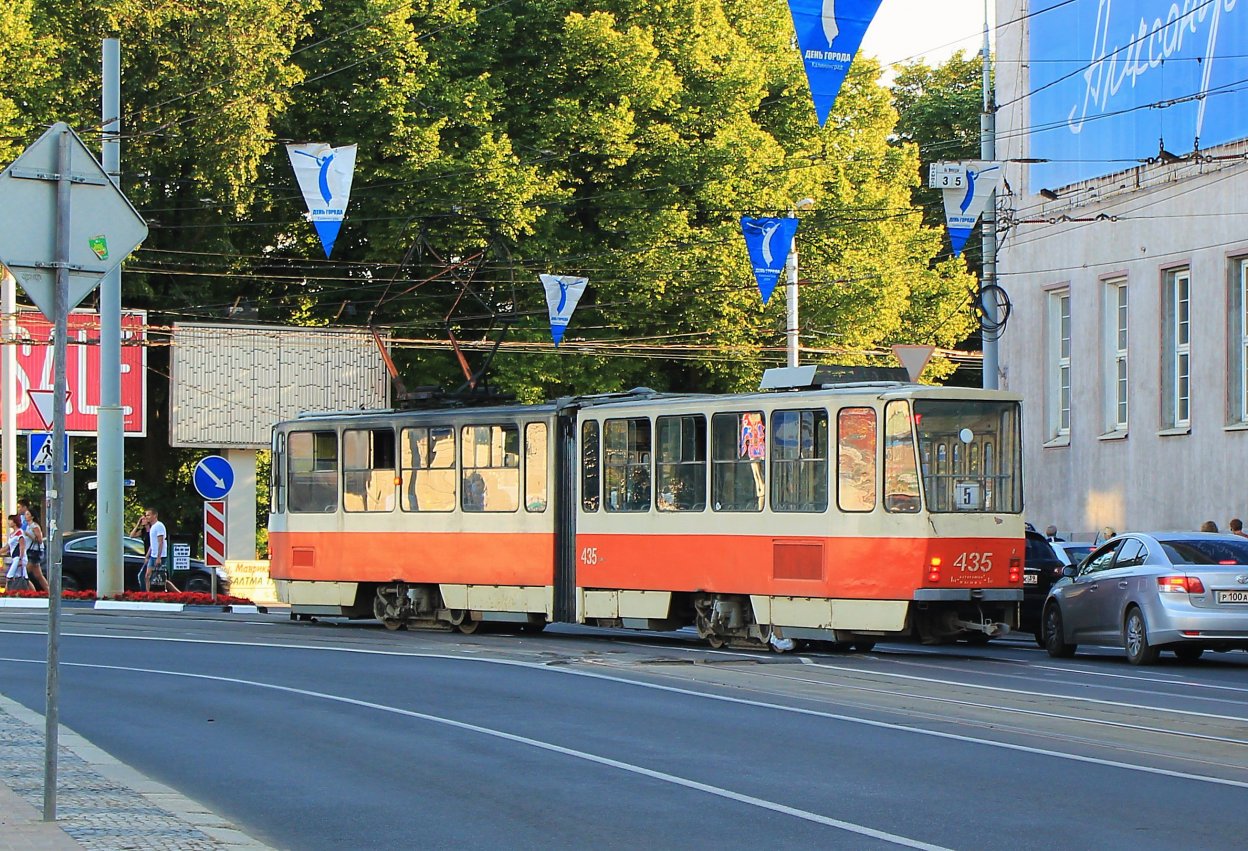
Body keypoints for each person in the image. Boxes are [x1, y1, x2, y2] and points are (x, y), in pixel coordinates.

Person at [141, 508, 177, 592]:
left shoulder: (159, 526)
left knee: (161, 577)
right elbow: (152, 544)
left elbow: (161, 542)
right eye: (146, 515)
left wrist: (158, 557)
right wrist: (147, 556)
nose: (147, 517)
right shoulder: (152, 527)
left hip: (160, 556)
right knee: (147, 576)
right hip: (153, 555)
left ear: (155, 515)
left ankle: (177, 593)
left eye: (149, 515)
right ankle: (148, 594)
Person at [22, 506, 49, 593]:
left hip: (34, 552)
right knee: (38, 575)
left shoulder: (34, 526)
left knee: (24, 574)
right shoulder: (27, 526)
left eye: (27, 514)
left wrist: (29, 535)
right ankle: (49, 592)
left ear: (32, 516)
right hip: (30, 551)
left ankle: (32, 592)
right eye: (25, 514)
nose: (25, 516)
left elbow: (40, 540)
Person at [5, 514, 30, 592]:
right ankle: (34, 594)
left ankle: (5, 595)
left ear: (15, 522)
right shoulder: (12, 534)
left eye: (10, 520)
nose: (8, 522)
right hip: (15, 558)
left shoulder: (20, 533)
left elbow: (22, 546)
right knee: (24, 578)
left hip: (19, 558)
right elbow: (6, 547)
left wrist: (20, 559)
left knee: (9, 577)